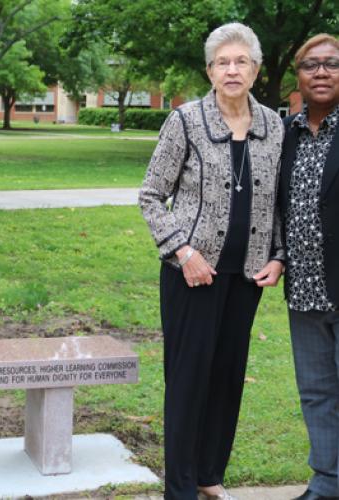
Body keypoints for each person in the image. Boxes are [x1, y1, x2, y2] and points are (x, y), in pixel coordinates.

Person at [139, 23, 285, 500]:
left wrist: (279, 257)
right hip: (192, 277)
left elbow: (277, 203)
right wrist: (183, 252)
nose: (232, 69)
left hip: (246, 278)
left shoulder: (273, 126)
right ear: (209, 71)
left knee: (225, 378)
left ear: (257, 70)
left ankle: (208, 476)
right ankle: (179, 488)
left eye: (241, 61)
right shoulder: (185, 122)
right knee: (188, 380)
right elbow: (150, 196)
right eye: (222, 62)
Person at [279, 34, 339, 500]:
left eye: (332, 64)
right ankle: (326, 482)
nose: (321, 72)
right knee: (317, 393)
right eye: (311, 65)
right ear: (297, 75)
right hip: (305, 292)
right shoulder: (288, 135)